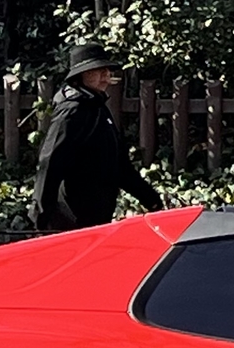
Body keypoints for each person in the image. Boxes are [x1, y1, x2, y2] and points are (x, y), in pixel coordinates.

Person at [31, 43, 164, 233]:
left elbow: (120, 166)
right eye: (97, 72)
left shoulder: (98, 107)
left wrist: (152, 202)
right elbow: (50, 163)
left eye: (106, 71)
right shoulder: (72, 111)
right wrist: (41, 218)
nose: (105, 77)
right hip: (70, 221)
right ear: (81, 76)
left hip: (96, 218)